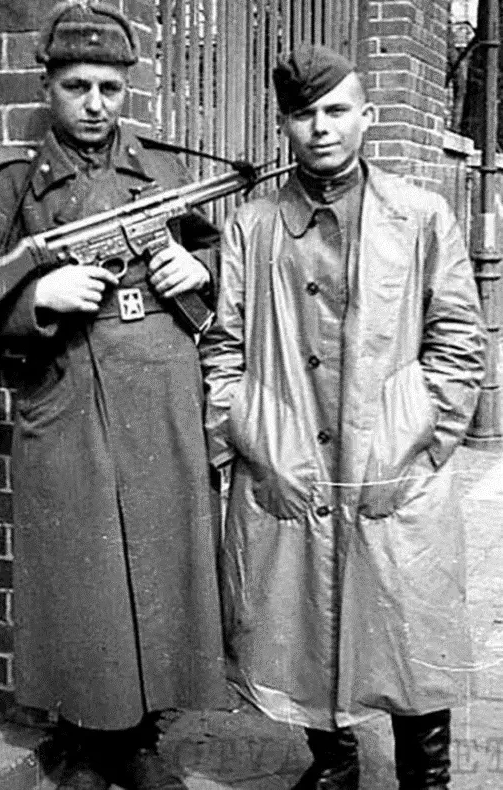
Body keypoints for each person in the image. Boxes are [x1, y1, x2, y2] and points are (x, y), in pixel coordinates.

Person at [0, 2, 227, 788]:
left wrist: (199, 271)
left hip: (160, 387)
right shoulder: (13, 181)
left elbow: (219, 262)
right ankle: (83, 738)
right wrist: (39, 297)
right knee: (84, 576)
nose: (96, 104)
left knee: (161, 561)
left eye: (110, 87)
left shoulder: (165, 170)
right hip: (68, 391)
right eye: (78, 86)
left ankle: (142, 739)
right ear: (48, 86)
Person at [200, 44, 486, 790]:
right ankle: (334, 764)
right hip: (289, 458)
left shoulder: (421, 216)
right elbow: (223, 347)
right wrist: (256, 439)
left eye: (335, 110)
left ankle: (427, 775)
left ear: (367, 116)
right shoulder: (252, 226)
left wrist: (416, 442)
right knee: (299, 621)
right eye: (303, 114)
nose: (321, 127)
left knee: (408, 625)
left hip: (390, 463)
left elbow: (459, 345)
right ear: (284, 126)